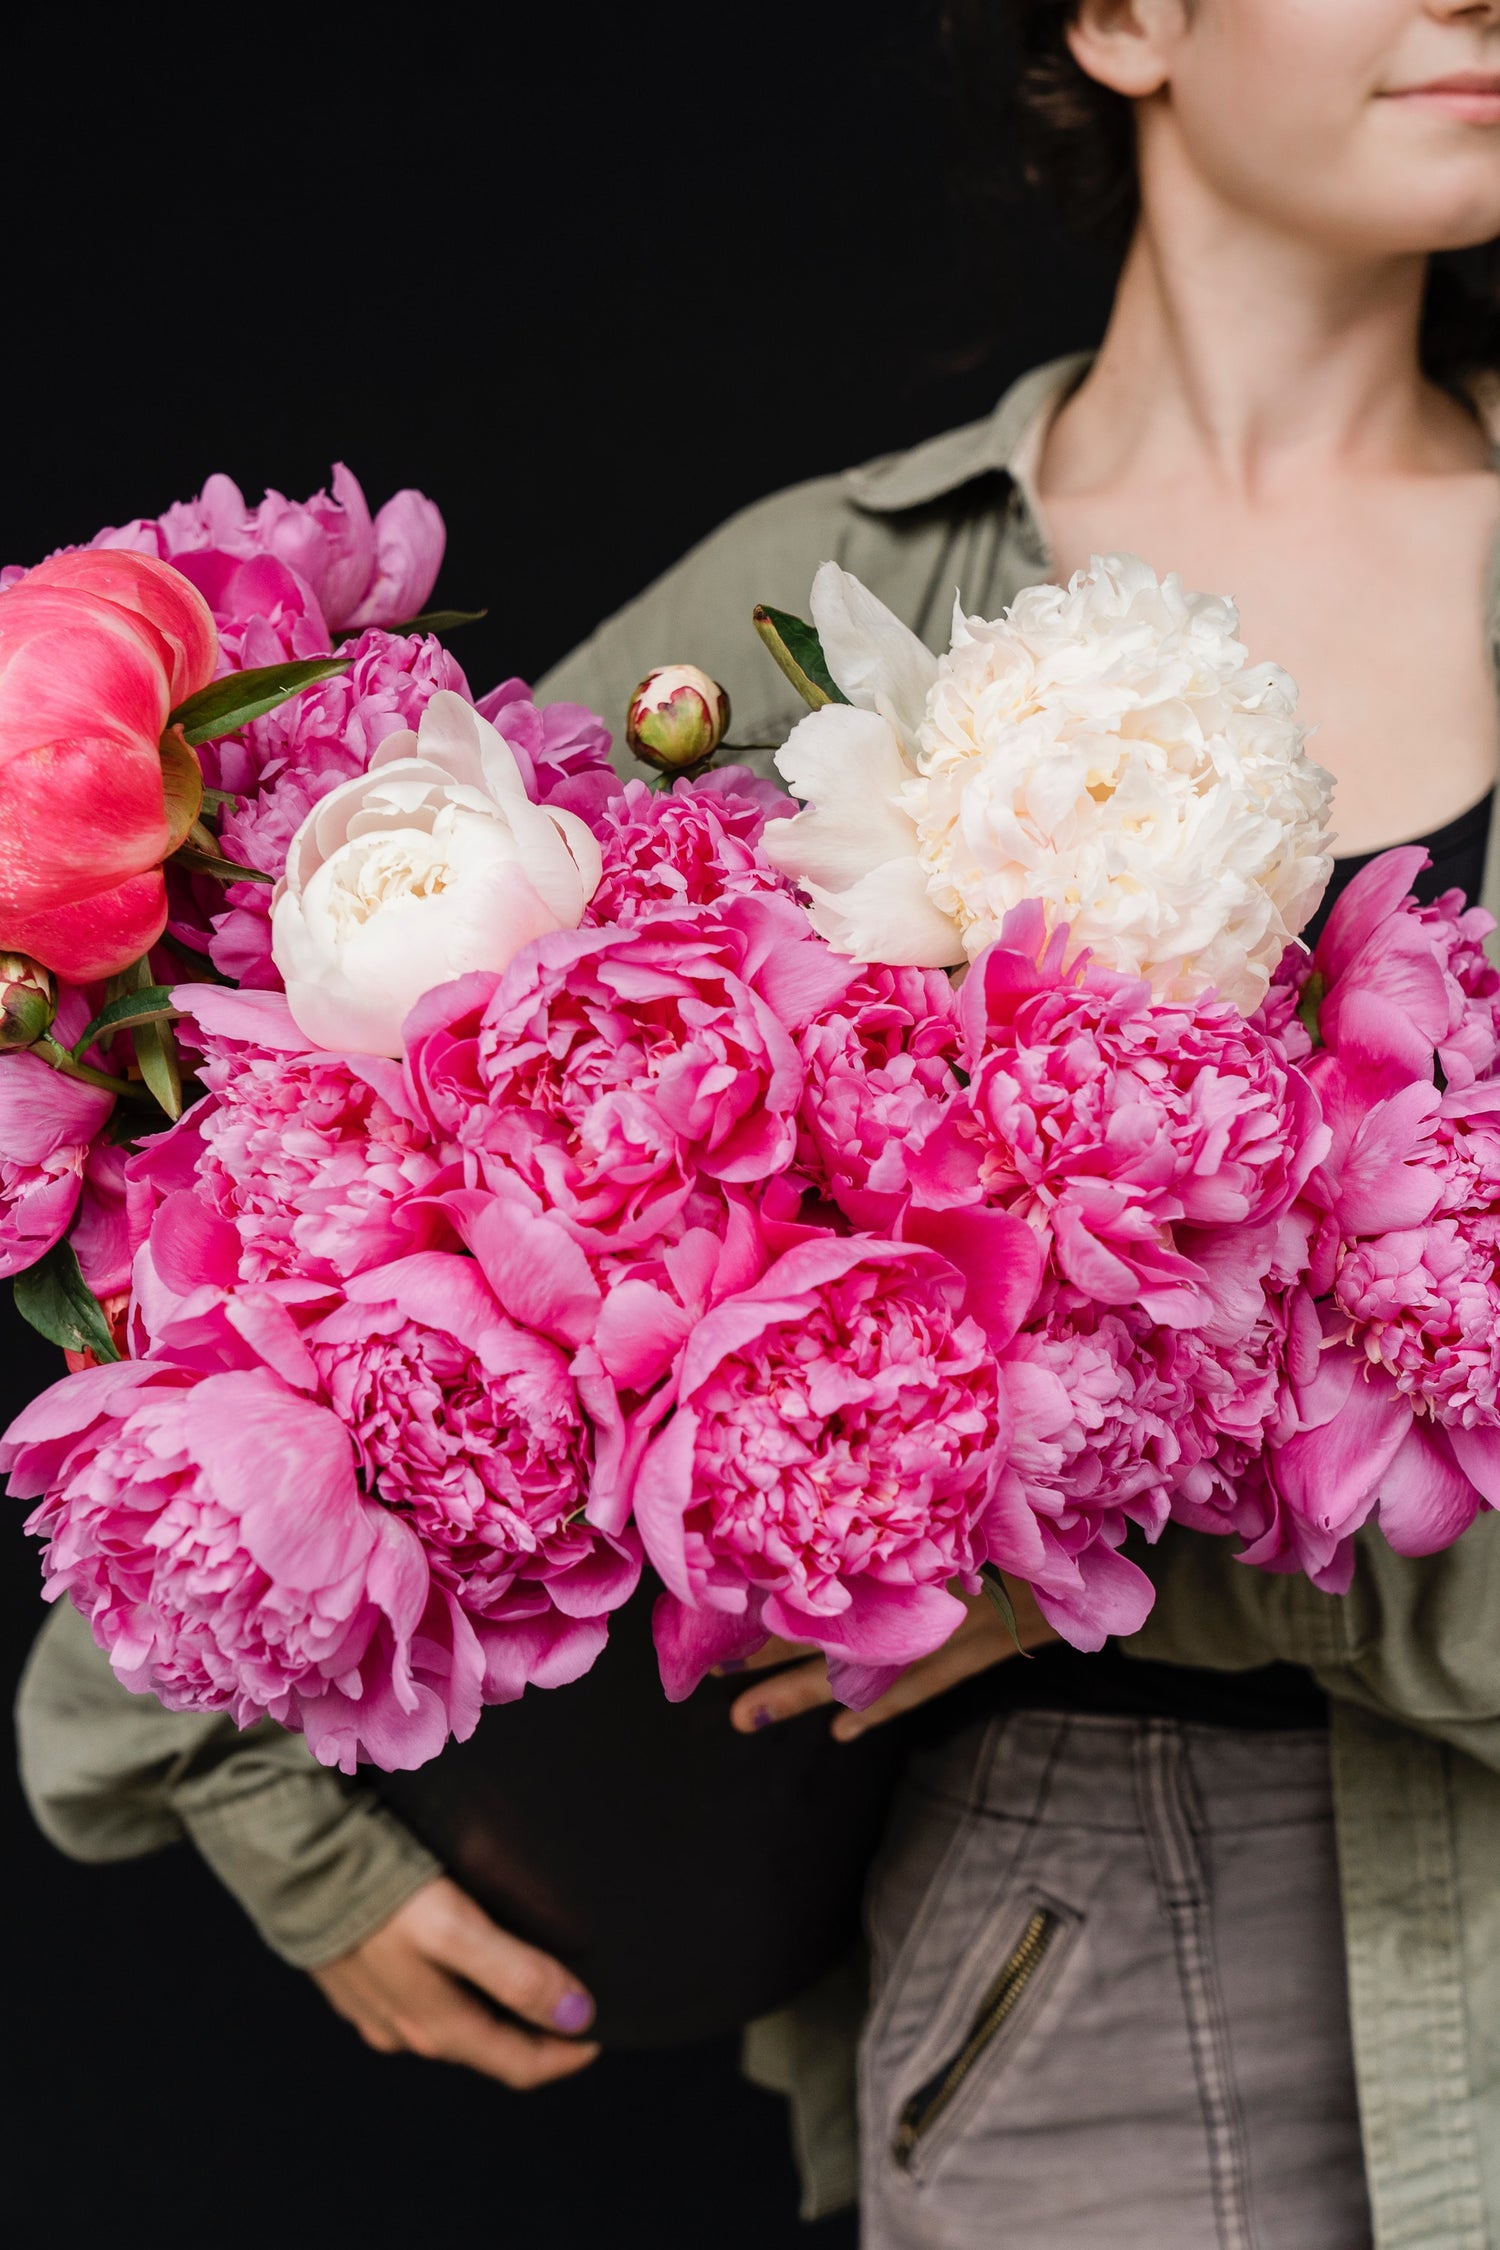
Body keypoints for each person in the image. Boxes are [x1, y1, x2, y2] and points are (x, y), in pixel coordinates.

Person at [15, 1, 1500, 2243]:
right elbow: (332, 1203)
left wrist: (1139, 1556)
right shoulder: (835, 594)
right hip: (1087, 1995)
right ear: (1125, 18)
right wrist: (271, 1819)